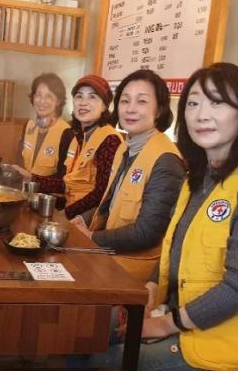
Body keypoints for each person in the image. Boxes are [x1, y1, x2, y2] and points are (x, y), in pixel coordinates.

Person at [86, 62, 238, 371]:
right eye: (193, 104)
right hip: (179, 316)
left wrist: (166, 323)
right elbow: (175, 245)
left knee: (100, 360)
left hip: (224, 341)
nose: (201, 115)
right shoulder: (197, 178)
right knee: (88, 331)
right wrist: (152, 287)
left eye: (217, 102)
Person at [74, 69, 185, 281]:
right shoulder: (126, 148)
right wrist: (82, 219)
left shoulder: (166, 161)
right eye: (125, 101)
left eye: (141, 101)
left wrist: (92, 236)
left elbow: (146, 233)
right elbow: (110, 203)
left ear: (159, 110)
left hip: (134, 269)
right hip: (110, 255)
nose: (130, 109)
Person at [34, 74, 122, 219]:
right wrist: (30, 179)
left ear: (104, 106)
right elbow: (67, 184)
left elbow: (102, 194)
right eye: (79, 96)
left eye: (92, 97)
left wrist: (64, 214)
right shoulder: (79, 137)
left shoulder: (110, 140)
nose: (83, 103)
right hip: (71, 212)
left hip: (88, 222)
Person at [11, 73, 71, 179]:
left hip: (48, 190)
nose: (42, 101)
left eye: (49, 96)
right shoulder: (29, 126)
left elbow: (64, 180)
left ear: (58, 101)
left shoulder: (67, 133)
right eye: (38, 95)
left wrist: (32, 178)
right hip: (24, 187)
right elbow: (20, 162)